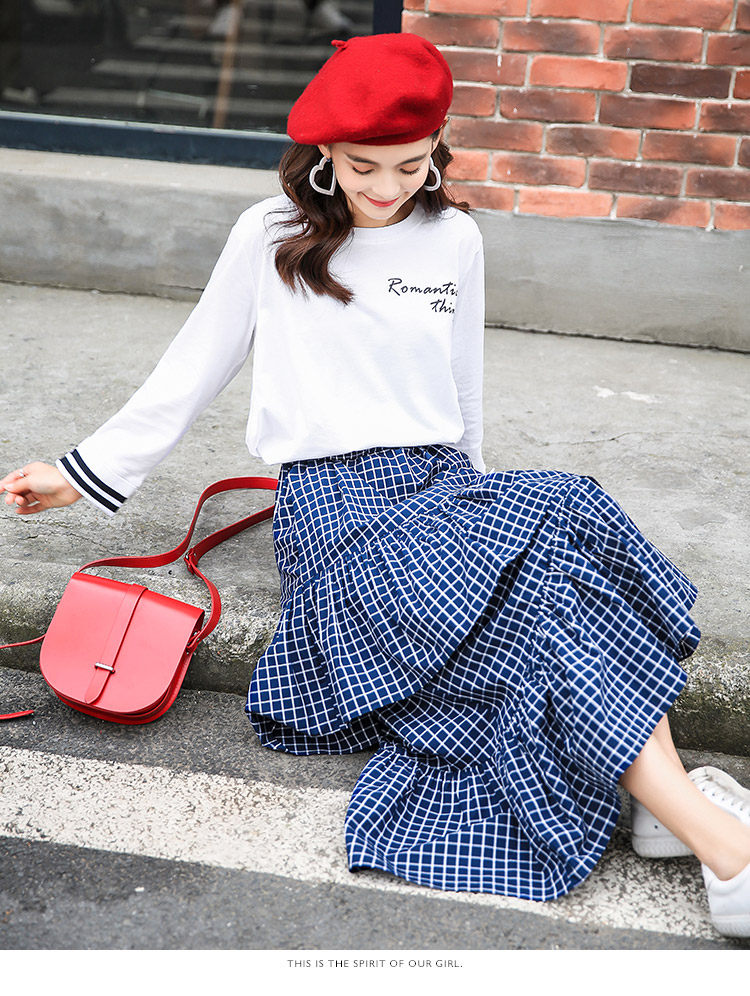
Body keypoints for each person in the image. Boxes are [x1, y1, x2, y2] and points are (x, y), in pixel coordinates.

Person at [3, 33, 750, 937]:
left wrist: (486, 532)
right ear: (325, 149)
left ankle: (680, 820)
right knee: (555, 543)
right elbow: (190, 370)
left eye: (411, 163)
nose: (388, 186)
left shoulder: (456, 238)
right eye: (364, 166)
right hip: (337, 514)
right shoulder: (270, 235)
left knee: (555, 548)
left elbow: (463, 390)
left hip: (441, 488)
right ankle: (716, 842)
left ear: (437, 148)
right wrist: (81, 473)